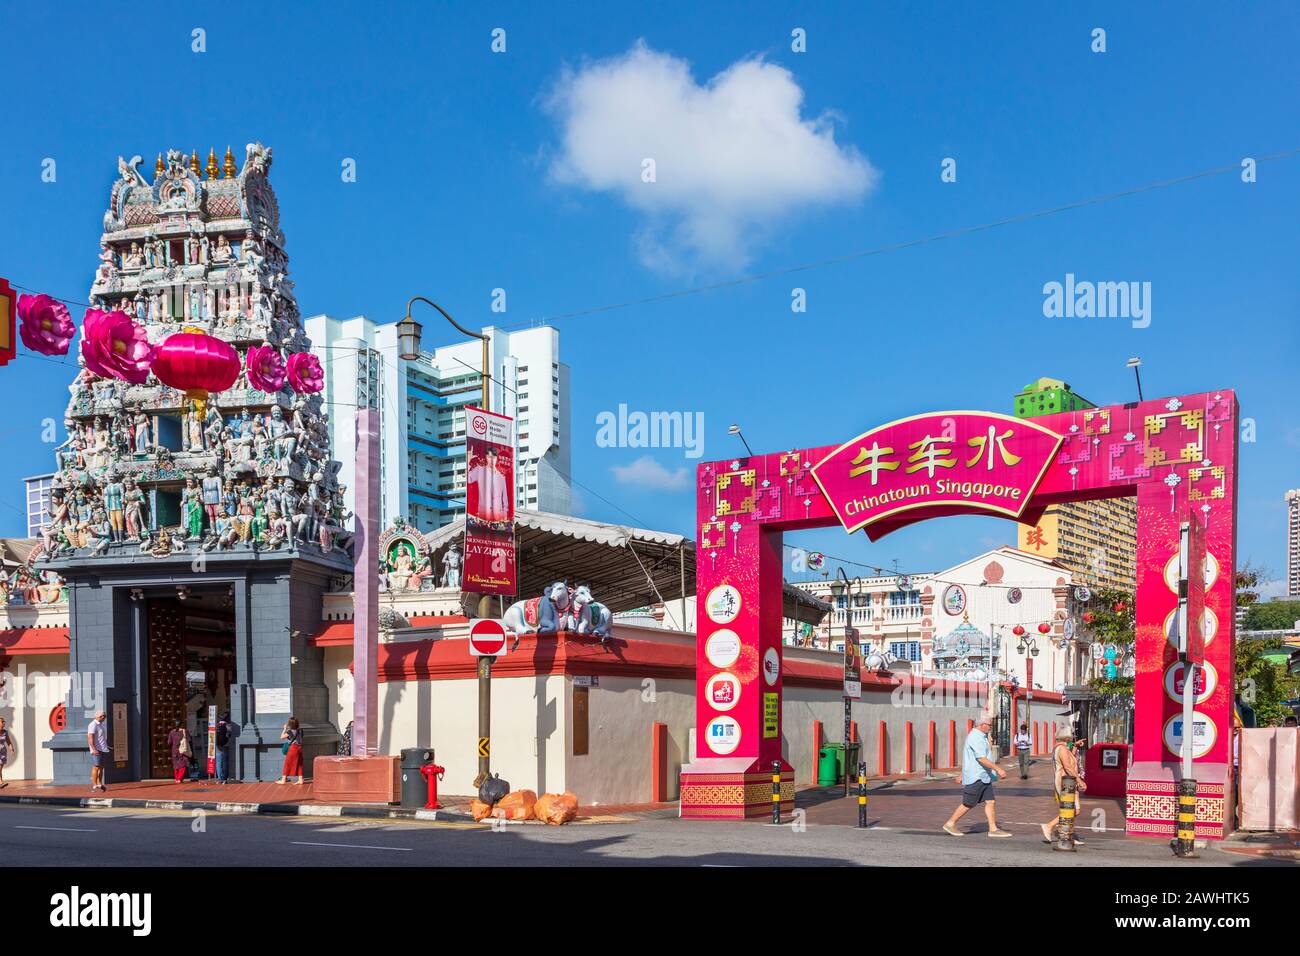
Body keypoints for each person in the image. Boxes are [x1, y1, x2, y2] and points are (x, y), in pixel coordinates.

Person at [943, 714, 1012, 837]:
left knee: (990, 801)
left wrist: (961, 774)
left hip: (984, 776)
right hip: (977, 776)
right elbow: (981, 759)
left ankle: (993, 829)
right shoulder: (975, 737)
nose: (990, 727)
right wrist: (998, 769)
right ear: (982, 725)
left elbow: (971, 758)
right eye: (989, 725)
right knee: (968, 803)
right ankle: (950, 823)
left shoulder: (982, 737)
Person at [1041, 729, 1087, 845]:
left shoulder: (1064, 748)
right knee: (1069, 809)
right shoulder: (1061, 749)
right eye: (1071, 734)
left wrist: (1075, 746)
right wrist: (1079, 780)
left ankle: (1066, 834)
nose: (1072, 736)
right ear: (1067, 736)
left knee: (1075, 810)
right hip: (1065, 782)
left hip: (1069, 782)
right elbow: (1068, 767)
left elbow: (1070, 759)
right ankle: (1050, 826)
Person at [87, 710, 110, 792]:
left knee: (101, 767)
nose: (103, 717)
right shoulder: (92, 725)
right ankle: (94, 785)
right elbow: (90, 738)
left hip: (103, 749)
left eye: (104, 716)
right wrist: (94, 749)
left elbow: (101, 738)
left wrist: (107, 746)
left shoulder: (101, 725)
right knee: (96, 766)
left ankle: (99, 783)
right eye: (102, 716)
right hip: (96, 749)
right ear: (97, 716)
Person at [277, 717, 305, 785]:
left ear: (290, 724)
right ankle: (300, 779)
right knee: (300, 764)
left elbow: (281, 737)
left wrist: (284, 729)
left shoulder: (290, 732)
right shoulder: (300, 730)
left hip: (293, 748)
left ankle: (283, 780)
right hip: (300, 748)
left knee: (287, 763)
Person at [215, 712, 233, 784]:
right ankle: (225, 778)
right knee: (225, 761)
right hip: (225, 745)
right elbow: (229, 735)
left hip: (218, 745)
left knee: (218, 762)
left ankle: (219, 778)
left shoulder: (216, 725)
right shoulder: (228, 726)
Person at [0, 716, 13, 788]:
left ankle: (1, 781)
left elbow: (8, 742)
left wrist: (11, 749)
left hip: (2, 752)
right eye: (2, 722)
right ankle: (1, 781)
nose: (3, 723)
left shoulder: (5, 732)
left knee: (0, 768)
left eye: (4, 722)